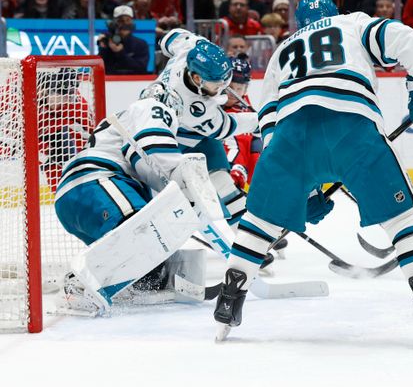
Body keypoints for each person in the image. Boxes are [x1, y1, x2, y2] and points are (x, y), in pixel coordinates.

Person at [213, 0, 413, 348]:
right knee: (404, 219)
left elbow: (269, 120)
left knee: (259, 224)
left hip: (290, 137)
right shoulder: (351, 22)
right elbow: (405, 37)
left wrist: (303, 188)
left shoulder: (282, 51)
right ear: (335, 12)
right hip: (352, 127)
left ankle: (228, 300)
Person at [54, 82, 214, 312]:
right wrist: (187, 184)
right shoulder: (151, 108)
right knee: (147, 236)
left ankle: (126, 283)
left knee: (144, 259)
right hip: (98, 182)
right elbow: (154, 150)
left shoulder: (122, 121)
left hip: (77, 196)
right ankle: (79, 284)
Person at [157, 28, 259, 231]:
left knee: (223, 180)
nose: (223, 86)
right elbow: (227, 127)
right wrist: (262, 120)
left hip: (192, 133)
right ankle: (237, 229)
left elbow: (168, 38)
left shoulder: (190, 47)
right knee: (208, 187)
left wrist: (196, 43)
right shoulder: (194, 107)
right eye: (216, 84)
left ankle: (247, 228)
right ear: (196, 78)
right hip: (173, 142)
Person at [223, 55, 260, 195]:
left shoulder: (242, 108)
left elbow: (239, 143)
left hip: (243, 162)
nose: (234, 93)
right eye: (230, 88)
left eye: (239, 88)